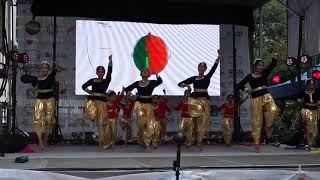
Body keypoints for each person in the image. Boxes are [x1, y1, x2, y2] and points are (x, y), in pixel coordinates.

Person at [178, 50, 220, 151]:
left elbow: (214, 68)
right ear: (198, 68)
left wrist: (218, 57)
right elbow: (180, 83)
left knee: (203, 122)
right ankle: (189, 141)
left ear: (205, 69)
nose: (201, 68)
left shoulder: (207, 77)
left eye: (203, 67)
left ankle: (199, 141)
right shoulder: (194, 78)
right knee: (193, 122)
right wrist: (186, 85)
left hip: (204, 101)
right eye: (200, 66)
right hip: (195, 102)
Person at [236, 52, 279, 153]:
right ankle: (256, 143)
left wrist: (275, 57)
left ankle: (268, 126)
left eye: (262, 65)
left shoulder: (265, 73)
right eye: (259, 65)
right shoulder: (249, 76)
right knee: (256, 121)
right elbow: (239, 85)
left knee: (273, 109)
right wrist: (247, 90)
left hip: (266, 96)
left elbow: (272, 65)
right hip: (255, 99)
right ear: (255, 67)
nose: (261, 67)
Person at [124, 68, 162, 152]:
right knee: (142, 123)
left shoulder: (152, 82)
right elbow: (127, 89)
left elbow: (160, 81)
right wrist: (129, 94)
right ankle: (142, 139)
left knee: (149, 125)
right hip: (139, 104)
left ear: (149, 74)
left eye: (147, 71)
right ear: (140, 74)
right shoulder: (137, 83)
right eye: (143, 71)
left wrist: (156, 74)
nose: (145, 72)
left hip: (148, 105)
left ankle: (147, 143)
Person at [21, 61, 57, 150]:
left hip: (50, 100)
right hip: (39, 100)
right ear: (40, 69)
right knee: (37, 119)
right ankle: (40, 141)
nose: (44, 69)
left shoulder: (50, 77)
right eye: (42, 68)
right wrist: (25, 72)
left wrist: (55, 67)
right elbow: (23, 79)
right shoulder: (36, 78)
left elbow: (54, 71)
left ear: (48, 70)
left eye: (46, 68)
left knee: (49, 120)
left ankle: (46, 138)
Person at [82, 55, 112, 149]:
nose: (100, 73)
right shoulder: (93, 80)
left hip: (102, 104)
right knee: (97, 121)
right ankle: (102, 141)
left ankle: (103, 142)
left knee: (101, 123)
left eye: (102, 71)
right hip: (93, 103)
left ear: (104, 73)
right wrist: (90, 92)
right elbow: (83, 86)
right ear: (96, 72)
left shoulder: (106, 81)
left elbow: (110, 72)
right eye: (99, 71)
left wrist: (110, 62)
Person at [298, 79, 319, 151]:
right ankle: (309, 141)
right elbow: (299, 101)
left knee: (314, 130)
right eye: (310, 84)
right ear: (306, 85)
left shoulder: (317, 92)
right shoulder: (303, 92)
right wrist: (300, 101)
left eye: (313, 84)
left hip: (315, 111)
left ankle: (310, 143)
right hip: (306, 110)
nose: (311, 86)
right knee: (309, 123)